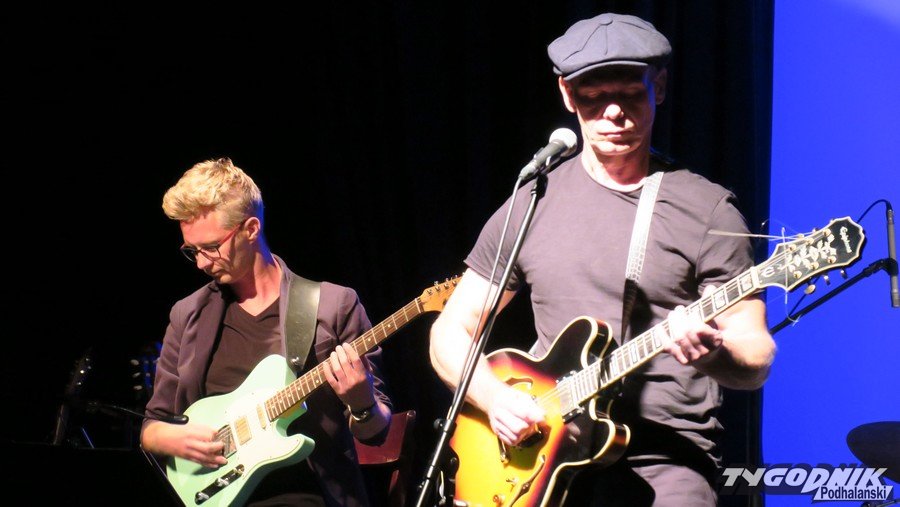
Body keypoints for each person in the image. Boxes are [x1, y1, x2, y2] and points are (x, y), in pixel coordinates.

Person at [429, 12, 776, 506]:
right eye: (594, 98)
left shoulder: (707, 211)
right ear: (567, 95)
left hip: (665, 461)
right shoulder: (533, 201)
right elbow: (450, 330)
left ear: (659, 87)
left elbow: (755, 354)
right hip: (547, 455)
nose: (614, 112)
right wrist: (494, 398)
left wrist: (714, 353)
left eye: (631, 94)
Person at [141, 157, 392, 507]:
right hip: (214, 494)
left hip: (308, 496)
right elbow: (152, 427)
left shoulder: (334, 305)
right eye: (191, 251)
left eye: (211, 248)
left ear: (251, 229)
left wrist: (362, 402)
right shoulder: (187, 315)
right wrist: (172, 440)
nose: (201, 263)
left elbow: (376, 433)